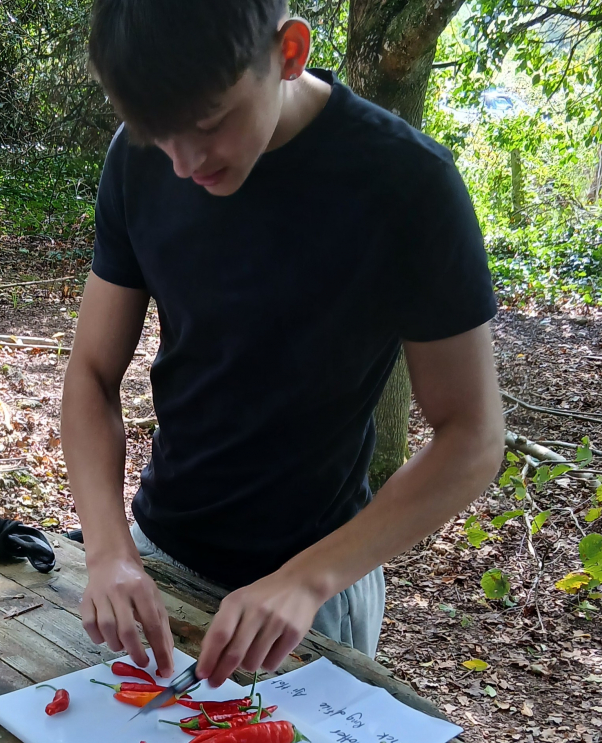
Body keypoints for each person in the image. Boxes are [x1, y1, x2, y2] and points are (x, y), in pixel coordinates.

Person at [61, 0, 505, 688]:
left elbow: (472, 438)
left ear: (289, 52)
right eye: (157, 134)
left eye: (209, 125)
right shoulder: (137, 160)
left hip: (315, 591)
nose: (183, 164)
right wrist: (108, 551)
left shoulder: (408, 186)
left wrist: (305, 581)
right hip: (158, 555)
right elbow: (91, 372)